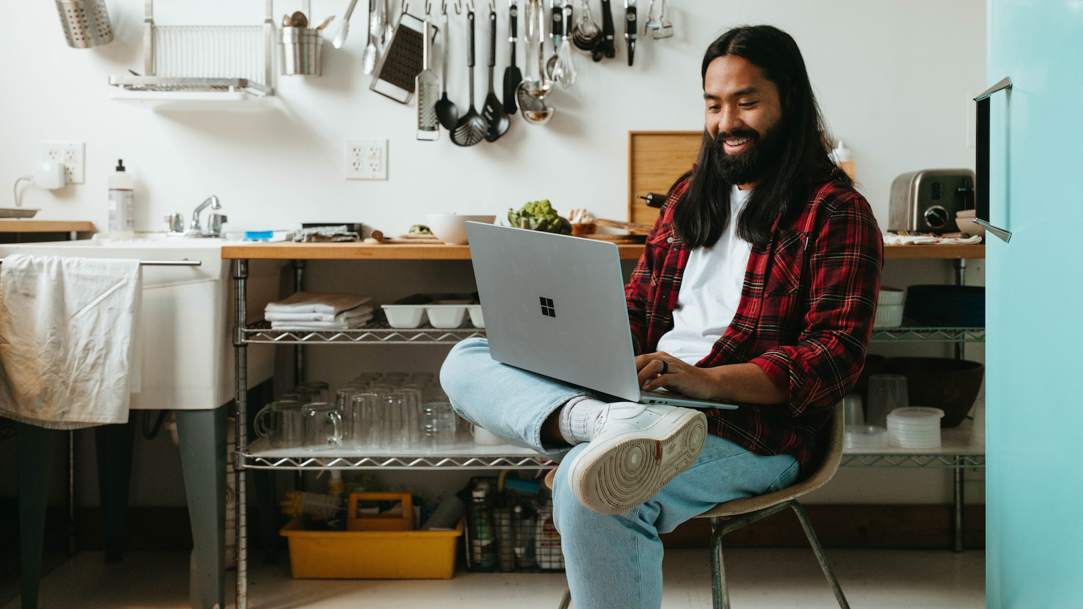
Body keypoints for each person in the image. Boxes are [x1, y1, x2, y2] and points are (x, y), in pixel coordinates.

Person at [441, 24, 883, 609]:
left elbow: (835, 357)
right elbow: (640, 310)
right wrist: (580, 347)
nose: (726, 123)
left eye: (746, 102)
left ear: (790, 101)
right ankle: (595, 425)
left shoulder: (836, 211)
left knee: (591, 490)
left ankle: (605, 437)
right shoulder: (688, 195)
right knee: (467, 357)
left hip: (747, 429)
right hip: (638, 406)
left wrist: (706, 380)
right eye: (713, 104)